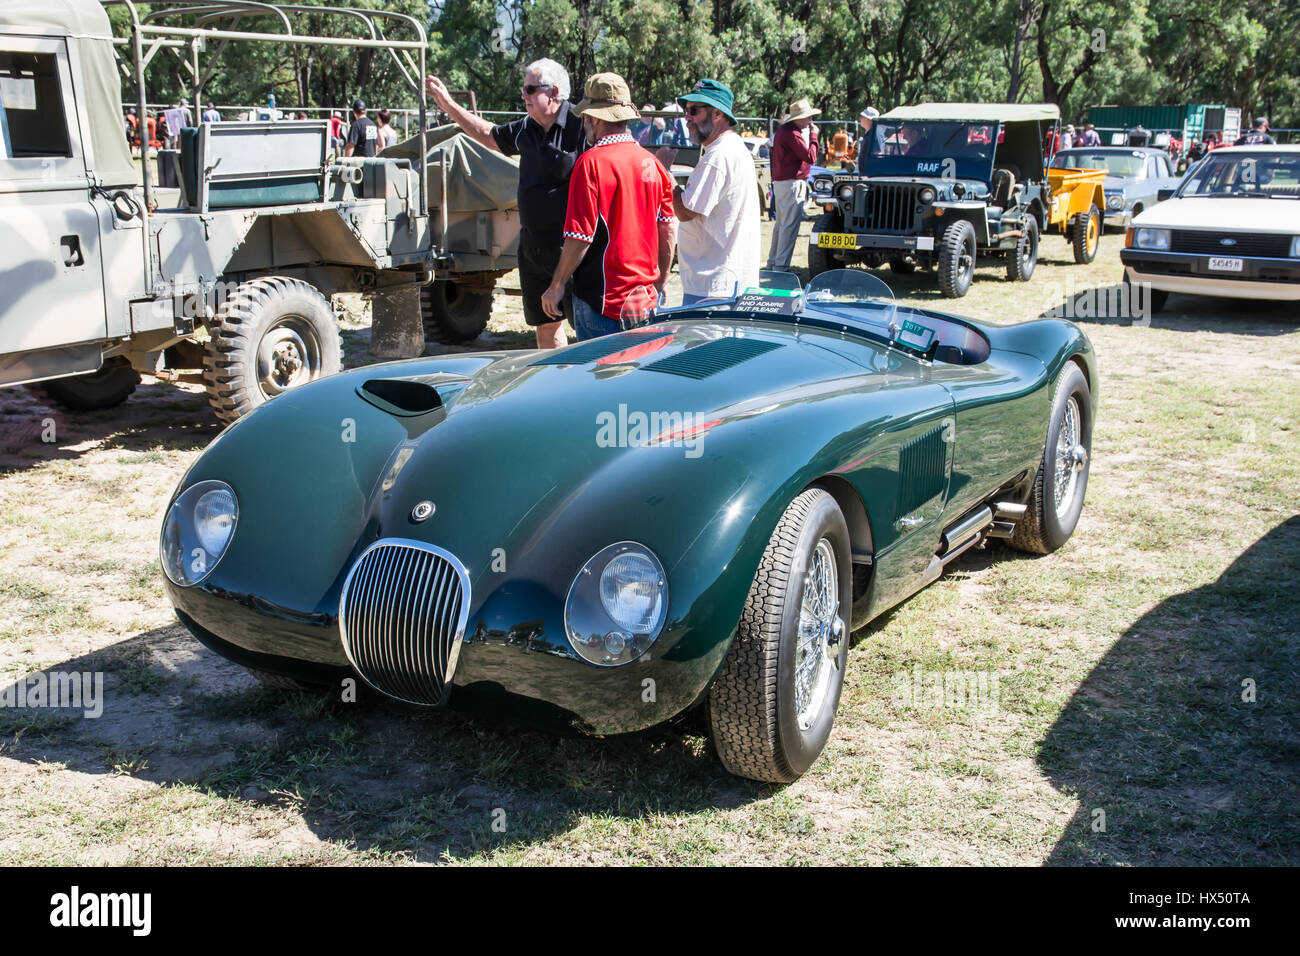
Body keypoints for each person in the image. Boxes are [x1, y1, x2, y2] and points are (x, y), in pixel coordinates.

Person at [427, 58, 586, 349]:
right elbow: (489, 135)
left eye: (530, 89)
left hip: (572, 248)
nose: (523, 95)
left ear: (553, 92)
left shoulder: (582, 126)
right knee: (545, 324)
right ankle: (557, 384)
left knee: (585, 328)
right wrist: (449, 105)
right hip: (532, 245)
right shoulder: (527, 128)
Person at [540, 72, 675, 340]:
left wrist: (556, 285)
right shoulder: (652, 163)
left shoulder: (590, 163)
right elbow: (668, 229)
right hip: (645, 301)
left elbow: (580, 237)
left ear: (593, 118)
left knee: (597, 380)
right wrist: (661, 278)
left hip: (602, 302)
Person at [656, 78, 759, 304]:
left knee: (704, 341)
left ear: (718, 114)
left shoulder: (718, 156)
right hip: (726, 282)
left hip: (713, 289)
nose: (687, 118)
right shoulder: (732, 149)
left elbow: (685, 211)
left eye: (694, 110)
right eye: (686, 110)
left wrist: (664, 170)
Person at [767, 97, 819, 272]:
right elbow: (810, 156)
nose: (810, 121)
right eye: (807, 117)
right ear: (798, 118)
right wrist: (814, 136)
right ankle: (781, 266)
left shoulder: (783, 131)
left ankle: (774, 262)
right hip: (791, 183)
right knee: (789, 225)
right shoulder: (792, 134)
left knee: (781, 225)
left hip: (781, 182)